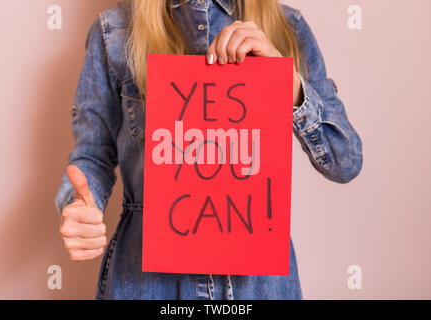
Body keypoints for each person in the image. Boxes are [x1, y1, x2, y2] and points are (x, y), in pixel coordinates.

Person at [55, 0, 363, 300]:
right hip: (145, 279)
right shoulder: (113, 31)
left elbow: (344, 161)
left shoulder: (288, 27)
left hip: (258, 284)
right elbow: (92, 156)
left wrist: (288, 83)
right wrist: (80, 206)